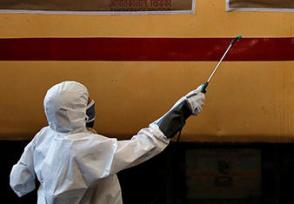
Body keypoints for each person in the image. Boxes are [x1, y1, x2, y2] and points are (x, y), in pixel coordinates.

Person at [9, 80, 206, 203]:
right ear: (77, 112)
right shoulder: (85, 147)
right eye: (87, 101)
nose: (91, 104)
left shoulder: (45, 135)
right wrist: (182, 110)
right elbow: (144, 145)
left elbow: (20, 176)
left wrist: (26, 188)